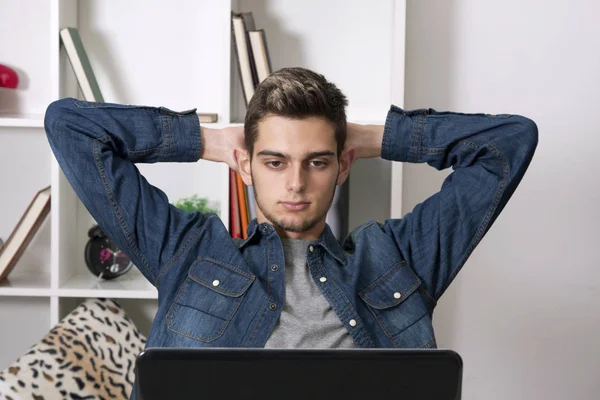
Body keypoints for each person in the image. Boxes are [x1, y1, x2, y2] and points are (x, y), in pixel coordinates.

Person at [44, 66, 537, 394]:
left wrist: (373, 137)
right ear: (247, 165)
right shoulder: (187, 252)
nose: (296, 183)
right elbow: (68, 125)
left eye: (317, 162)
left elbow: (508, 141)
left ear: (343, 166)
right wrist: (207, 141)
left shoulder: (398, 257)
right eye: (275, 162)